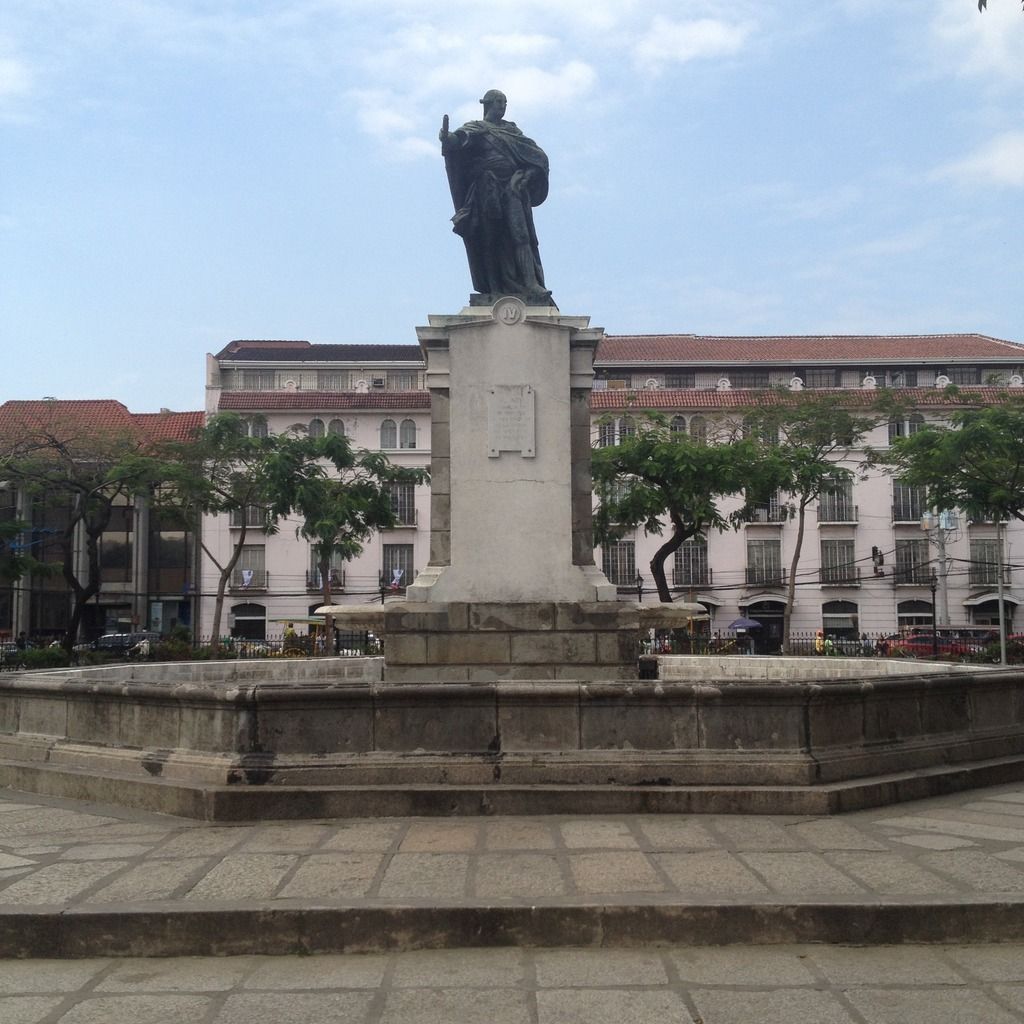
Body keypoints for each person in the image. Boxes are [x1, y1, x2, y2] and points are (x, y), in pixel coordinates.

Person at [439, 90, 553, 305]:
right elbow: (459, 140)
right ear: (488, 104)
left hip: (512, 188)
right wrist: (447, 138)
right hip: (487, 189)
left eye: (505, 102)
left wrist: (527, 175)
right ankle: (492, 287)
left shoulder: (512, 131)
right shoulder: (477, 128)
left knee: (521, 235)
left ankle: (531, 284)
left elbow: (537, 157)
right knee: (489, 238)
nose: (502, 106)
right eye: (499, 102)